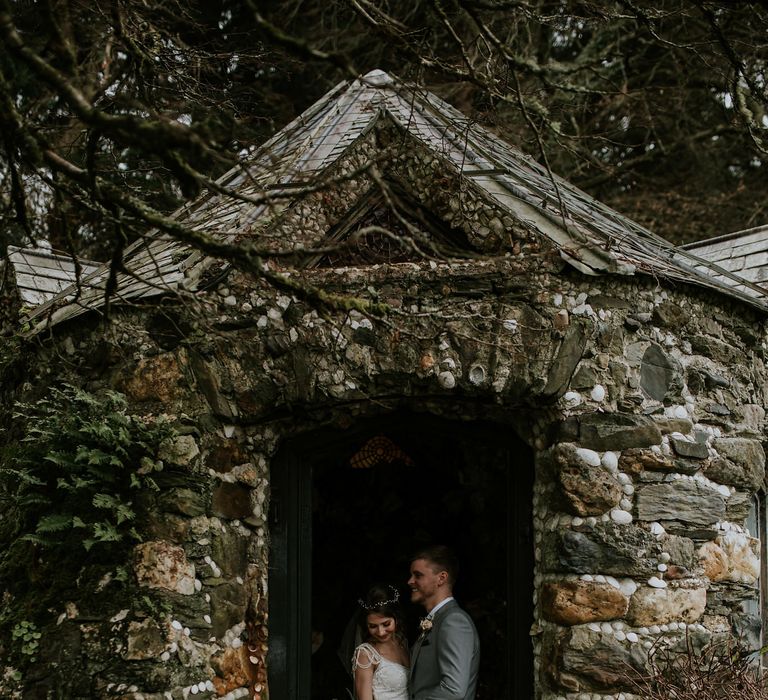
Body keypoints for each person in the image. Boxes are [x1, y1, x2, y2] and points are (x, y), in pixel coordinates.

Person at [408, 545, 480, 700]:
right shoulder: (438, 619)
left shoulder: (454, 621)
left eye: (418, 575)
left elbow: (453, 689)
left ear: (441, 578)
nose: (410, 581)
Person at [352, 584, 410, 700]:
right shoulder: (366, 654)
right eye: (373, 626)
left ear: (396, 618)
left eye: (386, 624)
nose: (381, 632)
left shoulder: (402, 643)